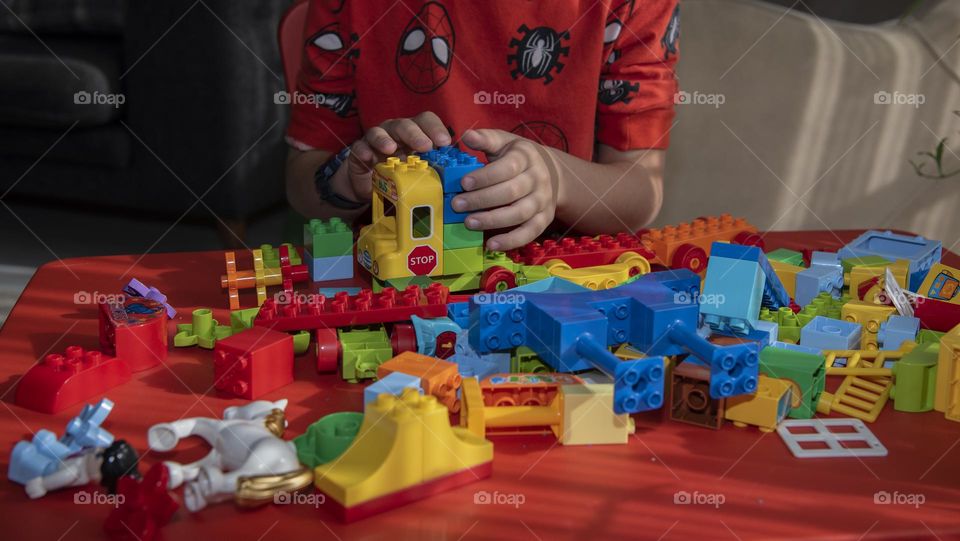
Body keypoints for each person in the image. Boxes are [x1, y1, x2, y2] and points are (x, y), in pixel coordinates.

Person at [285, 0, 679, 251]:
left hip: (553, 275)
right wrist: (347, 182)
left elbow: (641, 190)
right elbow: (302, 181)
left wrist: (558, 179)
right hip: (396, 271)